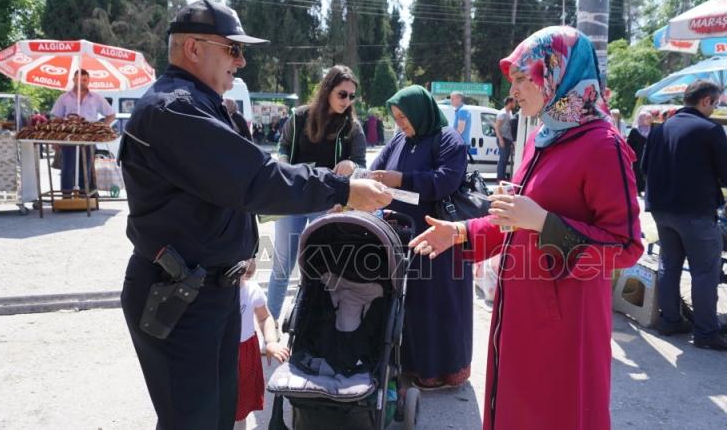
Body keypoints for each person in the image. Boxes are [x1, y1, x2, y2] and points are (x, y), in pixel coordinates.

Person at [118, 0, 391, 430]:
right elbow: (257, 179)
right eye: (233, 49)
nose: (241, 61)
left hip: (207, 291)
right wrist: (343, 189)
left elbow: (236, 187)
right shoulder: (175, 109)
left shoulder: (200, 104)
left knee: (217, 416)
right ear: (193, 48)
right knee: (193, 421)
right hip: (180, 295)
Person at [407, 26, 643, 430]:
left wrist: (545, 223)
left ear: (556, 73)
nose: (513, 92)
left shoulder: (602, 145)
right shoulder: (542, 137)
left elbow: (626, 247)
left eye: (521, 78)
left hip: (567, 323)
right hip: (518, 310)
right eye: (512, 80)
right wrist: (460, 232)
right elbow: (514, 220)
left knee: (558, 413)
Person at [369, 85, 470, 390]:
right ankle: (409, 365)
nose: (399, 123)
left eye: (404, 117)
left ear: (420, 112)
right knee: (409, 303)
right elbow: (377, 168)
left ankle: (440, 371)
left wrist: (403, 180)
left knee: (438, 304)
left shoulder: (448, 139)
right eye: (396, 117)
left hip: (438, 238)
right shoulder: (400, 139)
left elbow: (446, 180)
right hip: (401, 236)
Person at [642, 80, 727, 352]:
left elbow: (644, 167)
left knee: (669, 264)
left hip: (662, 210)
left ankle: (670, 321)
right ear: (705, 101)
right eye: (715, 103)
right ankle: (706, 333)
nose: (715, 108)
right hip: (695, 213)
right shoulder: (710, 129)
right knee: (704, 272)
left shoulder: (660, 128)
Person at [267, 65, 367, 322]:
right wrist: (283, 164)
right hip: (292, 198)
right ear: (327, 90)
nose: (347, 101)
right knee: (281, 265)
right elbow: (283, 146)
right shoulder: (300, 116)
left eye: (352, 96)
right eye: (342, 94)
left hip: (327, 203)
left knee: (320, 267)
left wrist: (352, 165)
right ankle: (269, 325)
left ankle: (308, 326)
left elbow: (361, 164)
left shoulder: (353, 127)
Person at [233, 260, 289, 430]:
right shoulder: (211, 293)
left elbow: (264, 317)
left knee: (241, 406)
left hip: (245, 353)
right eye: (243, 259)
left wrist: (270, 341)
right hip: (219, 354)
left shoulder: (251, 290)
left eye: (252, 257)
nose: (249, 264)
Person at [50, 69, 115, 196]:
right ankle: (66, 197)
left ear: (88, 81)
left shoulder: (96, 97)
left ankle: (84, 196)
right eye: (79, 79)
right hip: (68, 137)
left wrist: (100, 129)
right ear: (73, 80)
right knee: (67, 168)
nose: (81, 82)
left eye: (84, 80)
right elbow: (56, 118)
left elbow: (111, 115)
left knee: (86, 169)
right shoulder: (64, 98)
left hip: (89, 138)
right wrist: (55, 139)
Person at [626, 110, 652, 195]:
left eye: (650, 118)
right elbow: (629, 144)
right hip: (637, 156)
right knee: (637, 172)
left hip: (649, 156)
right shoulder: (635, 130)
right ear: (641, 119)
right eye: (647, 118)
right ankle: (638, 190)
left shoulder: (652, 129)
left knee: (648, 172)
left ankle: (647, 190)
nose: (649, 120)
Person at [494, 96, 515, 181]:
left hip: (508, 139)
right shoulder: (502, 113)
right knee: (502, 160)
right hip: (503, 138)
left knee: (505, 160)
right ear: (510, 102)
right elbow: (497, 127)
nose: (515, 104)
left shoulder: (510, 112)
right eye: (514, 102)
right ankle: (500, 179)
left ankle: (502, 177)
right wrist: (501, 139)